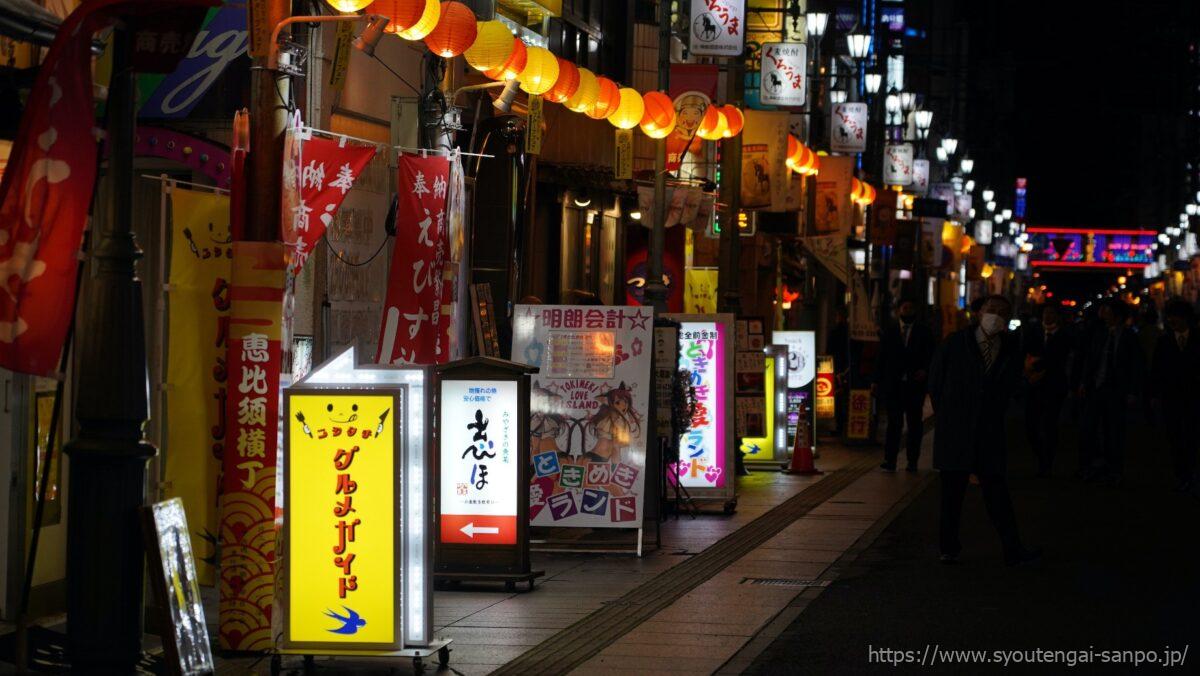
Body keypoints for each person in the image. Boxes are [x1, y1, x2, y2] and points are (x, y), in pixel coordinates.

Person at [928, 294, 1039, 565]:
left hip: (989, 430)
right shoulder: (955, 342)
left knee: (997, 491)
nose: (995, 315)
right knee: (951, 494)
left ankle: (1012, 549)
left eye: (1002, 311)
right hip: (956, 429)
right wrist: (948, 416)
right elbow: (936, 381)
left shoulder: (1011, 347)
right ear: (979, 313)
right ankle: (948, 547)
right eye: (991, 310)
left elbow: (1012, 386)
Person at [1077, 297, 1144, 486]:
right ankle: (1091, 465)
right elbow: (1090, 359)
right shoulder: (1099, 333)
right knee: (1088, 428)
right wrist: (1084, 381)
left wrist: (1132, 391)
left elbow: (1136, 365)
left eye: (1107, 310)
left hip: (1116, 390)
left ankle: (1113, 468)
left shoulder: (1129, 336)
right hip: (1096, 387)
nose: (1103, 313)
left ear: (1117, 314)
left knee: (1113, 431)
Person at [875, 299, 936, 472]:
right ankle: (890, 460)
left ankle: (912, 461)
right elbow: (882, 357)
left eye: (910, 308)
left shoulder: (924, 332)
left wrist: (925, 370)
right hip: (893, 384)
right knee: (894, 423)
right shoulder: (891, 331)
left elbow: (931, 355)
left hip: (915, 385)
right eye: (904, 308)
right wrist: (876, 380)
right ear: (898, 310)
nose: (907, 311)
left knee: (915, 423)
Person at [1150, 298, 1200, 491]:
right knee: (1175, 437)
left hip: (1194, 396)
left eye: (1176, 316)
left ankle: (1191, 474)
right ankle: (1182, 475)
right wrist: (1154, 394)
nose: (1172, 320)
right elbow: (1156, 369)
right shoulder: (1164, 341)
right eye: (1170, 316)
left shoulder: (1197, 338)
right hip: (1171, 397)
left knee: (1193, 436)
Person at [1023, 304, 1075, 476]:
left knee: (1049, 424)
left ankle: (1047, 462)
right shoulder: (1034, 332)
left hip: (1054, 386)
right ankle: (1041, 455)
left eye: (1051, 313)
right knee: (1031, 425)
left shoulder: (1065, 336)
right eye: (1045, 313)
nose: (1048, 316)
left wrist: (1039, 365)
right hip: (1033, 385)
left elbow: (1058, 359)